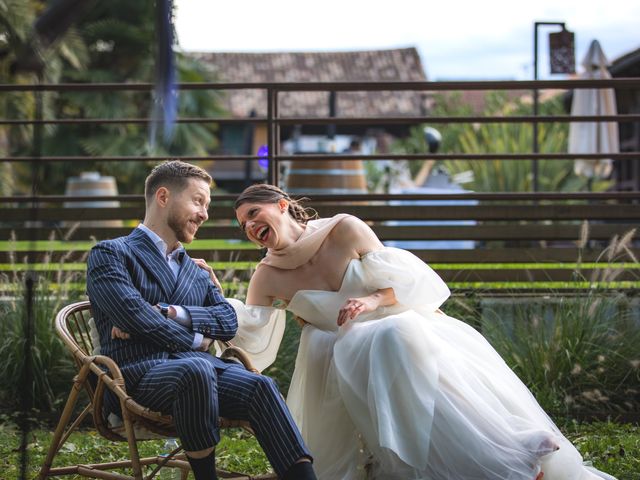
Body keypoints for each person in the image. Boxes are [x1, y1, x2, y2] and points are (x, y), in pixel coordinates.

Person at [224, 183, 618, 480]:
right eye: (244, 225)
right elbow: (251, 335)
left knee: (393, 338)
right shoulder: (268, 276)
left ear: (280, 205)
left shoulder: (343, 229)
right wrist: (209, 295)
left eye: (255, 213)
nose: (251, 226)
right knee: (359, 345)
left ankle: (506, 449)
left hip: (394, 323)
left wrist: (371, 302)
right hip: (336, 350)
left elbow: (411, 282)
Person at [86, 161, 316, 480]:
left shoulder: (197, 270)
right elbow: (133, 313)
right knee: (196, 368)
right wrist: (198, 340)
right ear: (163, 196)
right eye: (198, 201)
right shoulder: (111, 254)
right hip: (134, 375)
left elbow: (226, 321)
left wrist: (169, 312)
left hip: (203, 372)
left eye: (206, 205)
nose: (205, 214)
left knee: (260, 386)